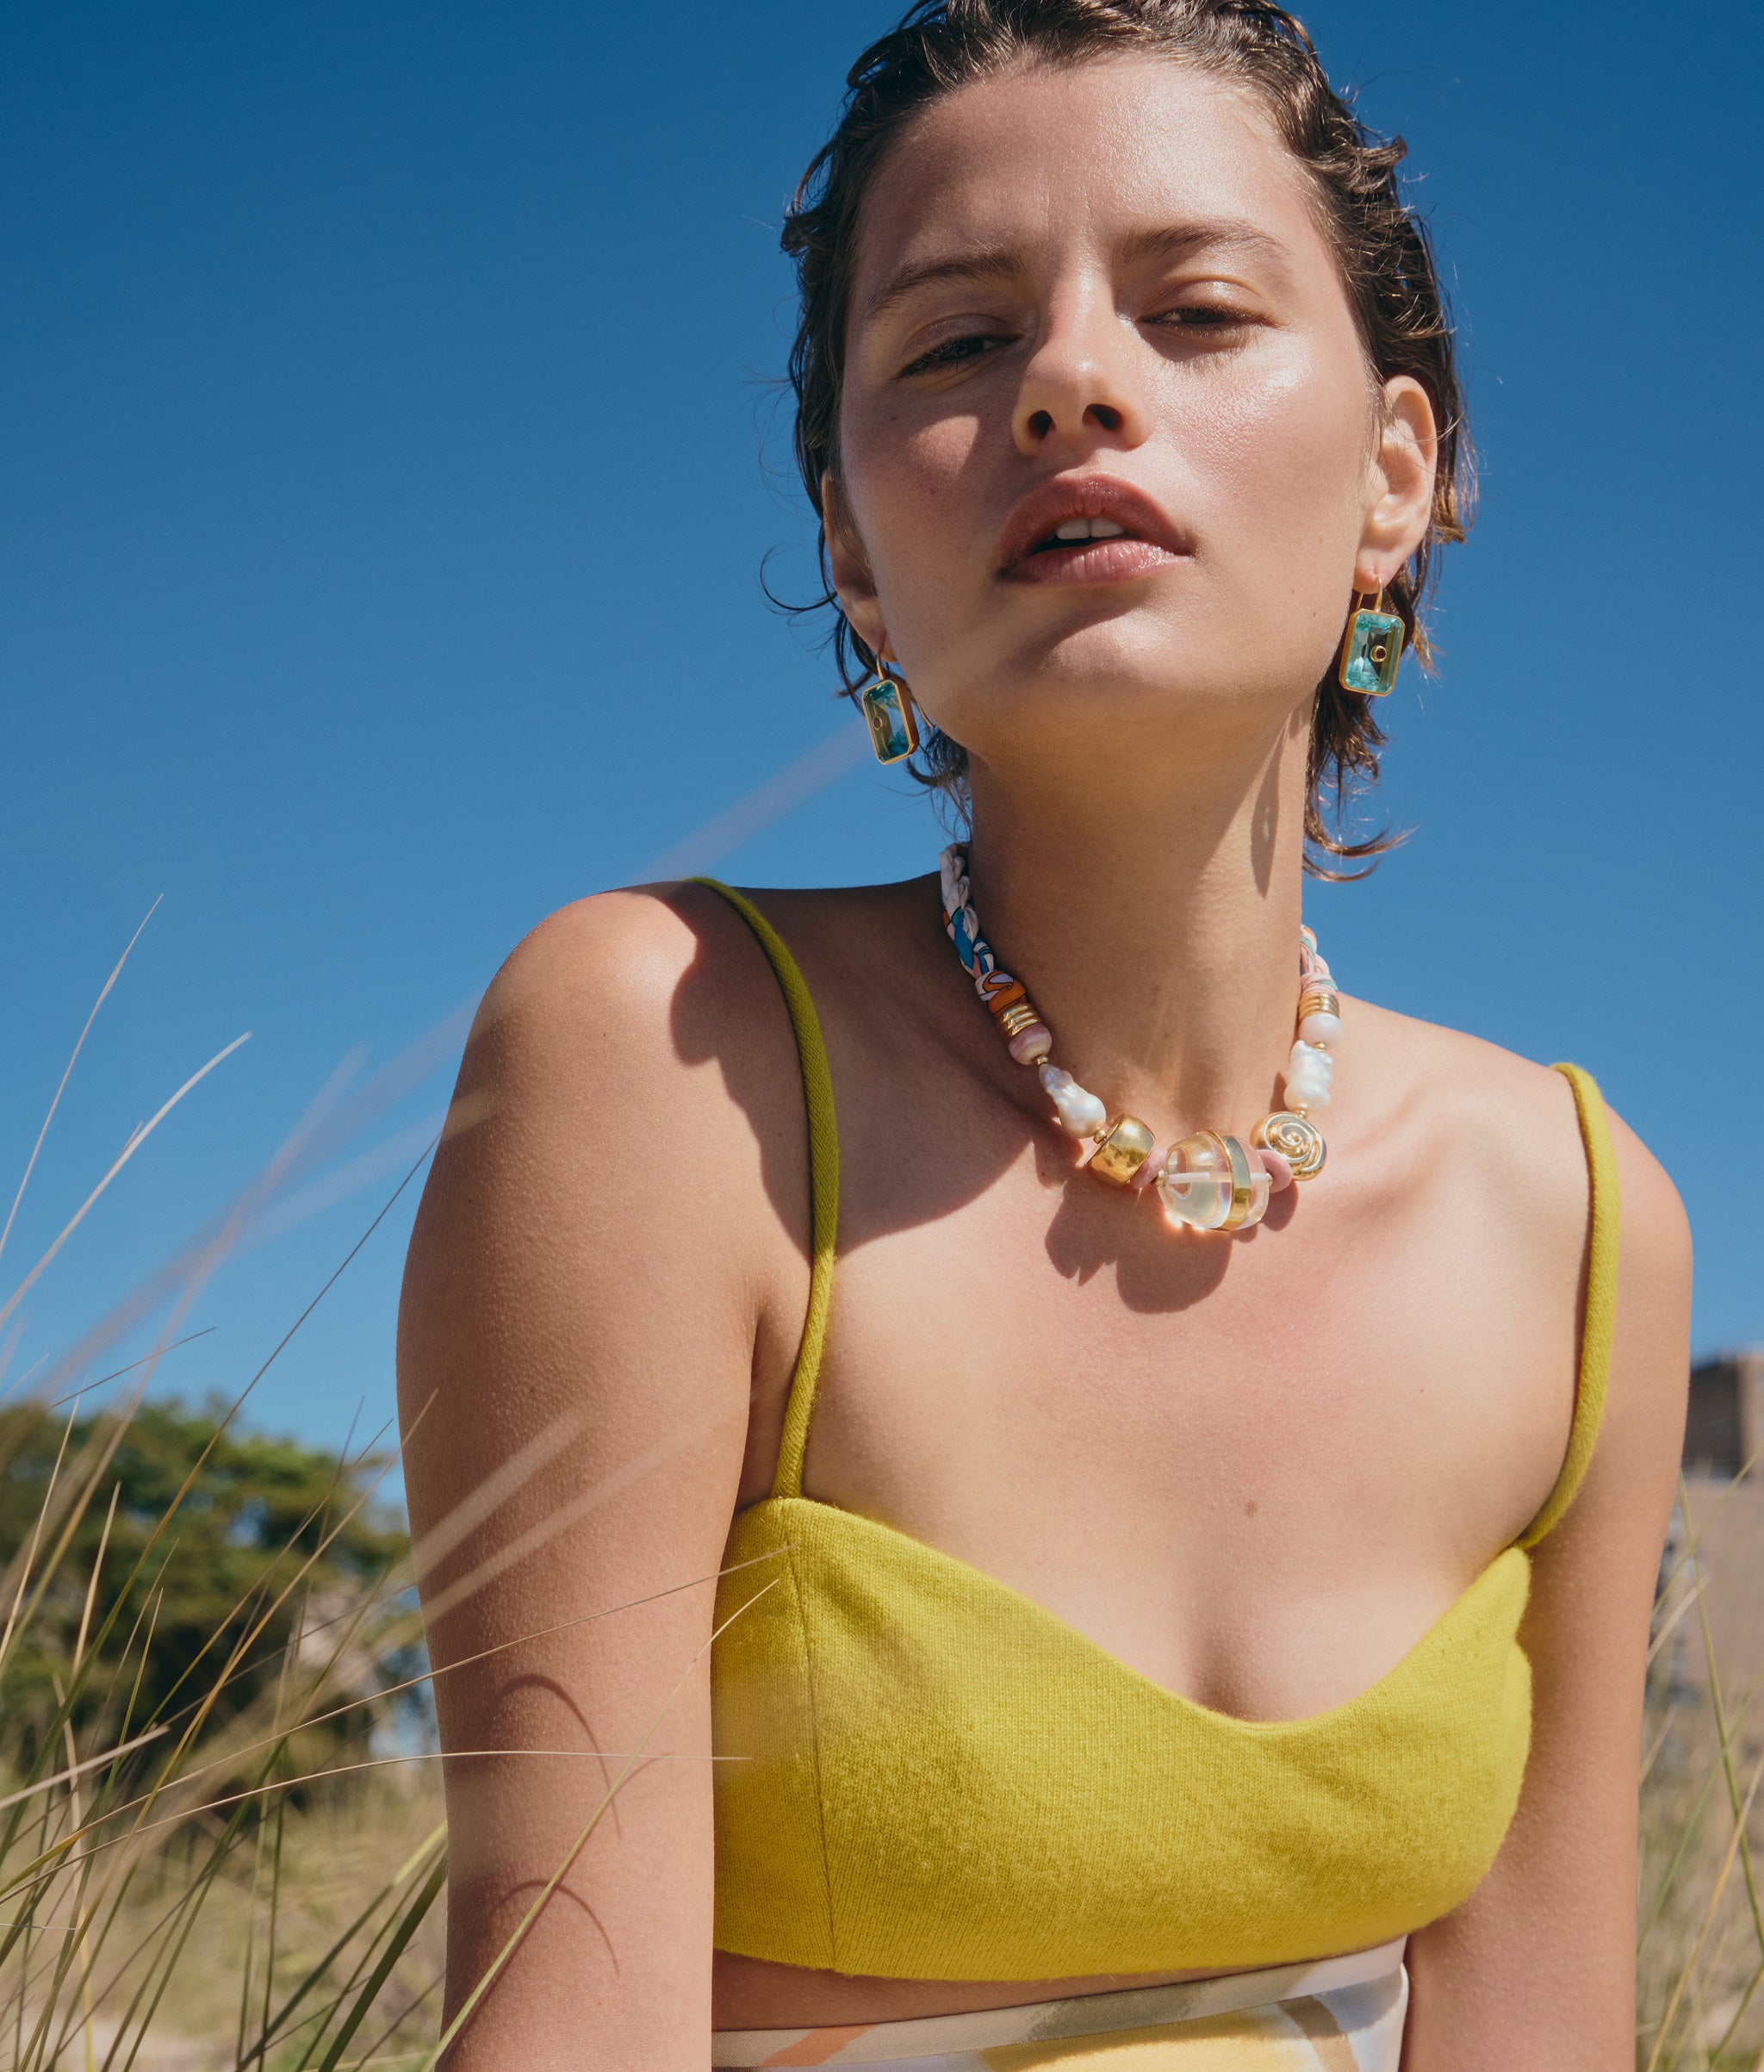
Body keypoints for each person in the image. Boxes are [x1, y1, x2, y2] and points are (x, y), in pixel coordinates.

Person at [396, 3, 1692, 2065]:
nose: (1071, 384)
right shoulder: (661, 1063)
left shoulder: (1581, 1225)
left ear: (1394, 476)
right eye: (951, 341)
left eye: (1193, 311)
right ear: (850, 547)